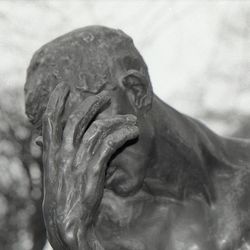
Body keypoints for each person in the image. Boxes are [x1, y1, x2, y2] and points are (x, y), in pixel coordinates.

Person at [24, 26, 250, 250]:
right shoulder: (92, 231)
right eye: (63, 146)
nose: (79, 161)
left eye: (86, 131)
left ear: (136, 91)